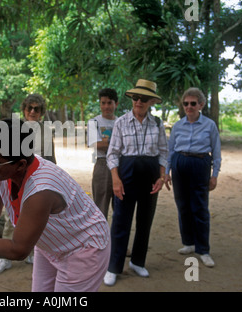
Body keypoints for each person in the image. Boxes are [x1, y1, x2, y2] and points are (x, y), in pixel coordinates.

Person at [0, 118, 110, 292]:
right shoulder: (0, 172)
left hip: (83, 248)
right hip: (50, 243)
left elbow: (18, 250)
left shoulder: (40, 190)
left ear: (20, 165)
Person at [104, 79, 168, 286]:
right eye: (136, 98)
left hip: (150, 176)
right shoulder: (121, 122)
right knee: (121, 220)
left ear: (151, 102)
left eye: (144, 98)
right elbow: (112, 154)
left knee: (145, 220)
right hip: (127, 174)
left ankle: (138, 262)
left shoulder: (157, 123)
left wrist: (161, 176)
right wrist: (115, 179)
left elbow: (163, 152)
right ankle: (114, 266)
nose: (138, 102)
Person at [0, 93, 56, 275]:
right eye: (30, 108)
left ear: (41, 112)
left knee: (37, 220)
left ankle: (33, 253)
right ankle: (4, 258)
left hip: (39, 181)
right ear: (24, 109)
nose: (33, 111)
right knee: (12, 218)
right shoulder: (16, 128)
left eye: (37, 109)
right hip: (18, 179)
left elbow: (51, 158)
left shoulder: (45, 131)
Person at [164, 87, 221, 268]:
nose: (189, 107)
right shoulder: (178, 126)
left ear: (201, 105)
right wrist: (166, 172)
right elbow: (170, 150)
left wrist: (214, 175)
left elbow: (217, 152)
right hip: (180, 164)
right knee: (183, 205)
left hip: (200, 164)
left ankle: (203, 249)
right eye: (186, 103)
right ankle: (188, 243)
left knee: (200, 207)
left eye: (193, 103)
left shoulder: (209, 125)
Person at [87, 88, 118, 221]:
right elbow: (95, 144)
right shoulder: (94, 122)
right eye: (103, 103)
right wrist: (117, 143)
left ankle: (116, 240)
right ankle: (100, 239)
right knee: (100, 207)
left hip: (120, 166)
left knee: (120, 207)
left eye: (109, 103)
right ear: (100, 104)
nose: (106, 106)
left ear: (116, 103)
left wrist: (106, 142)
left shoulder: (121, 122)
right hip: (102, 165)